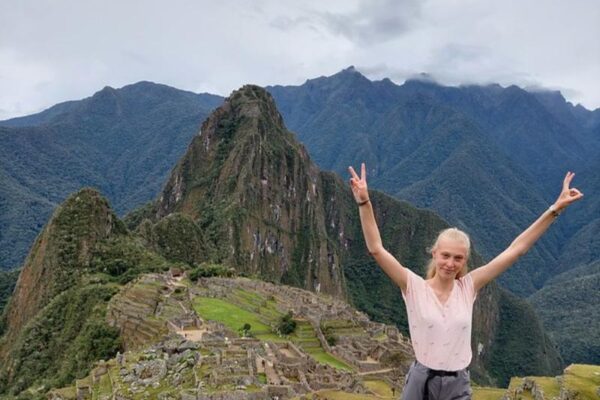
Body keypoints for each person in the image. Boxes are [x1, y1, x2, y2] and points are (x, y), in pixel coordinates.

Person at [347, 163, 583, 400]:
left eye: (458, 258)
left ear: (465, 260)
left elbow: (516, 250)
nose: (450, 263)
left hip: (457, 384)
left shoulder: (468, 287)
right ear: (434, 254)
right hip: (421, 381)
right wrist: (364, 203)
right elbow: (376, 249)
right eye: (445, 256)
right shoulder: (413, 286)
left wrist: (555, 209)